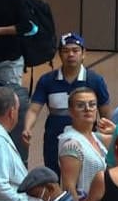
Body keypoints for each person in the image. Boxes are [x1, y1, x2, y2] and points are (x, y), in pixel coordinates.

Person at [28, 33, 110, 170]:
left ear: (84, 53)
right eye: (66, 51)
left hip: (87, 138)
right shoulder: (47, 80)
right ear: (59, 54)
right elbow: (33, 109)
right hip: (54, 139)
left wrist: (108, 135)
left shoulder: (95, 80)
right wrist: (27, 128)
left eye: (75, 50)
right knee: (54, 175)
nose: (70, 54)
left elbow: (105, 112)